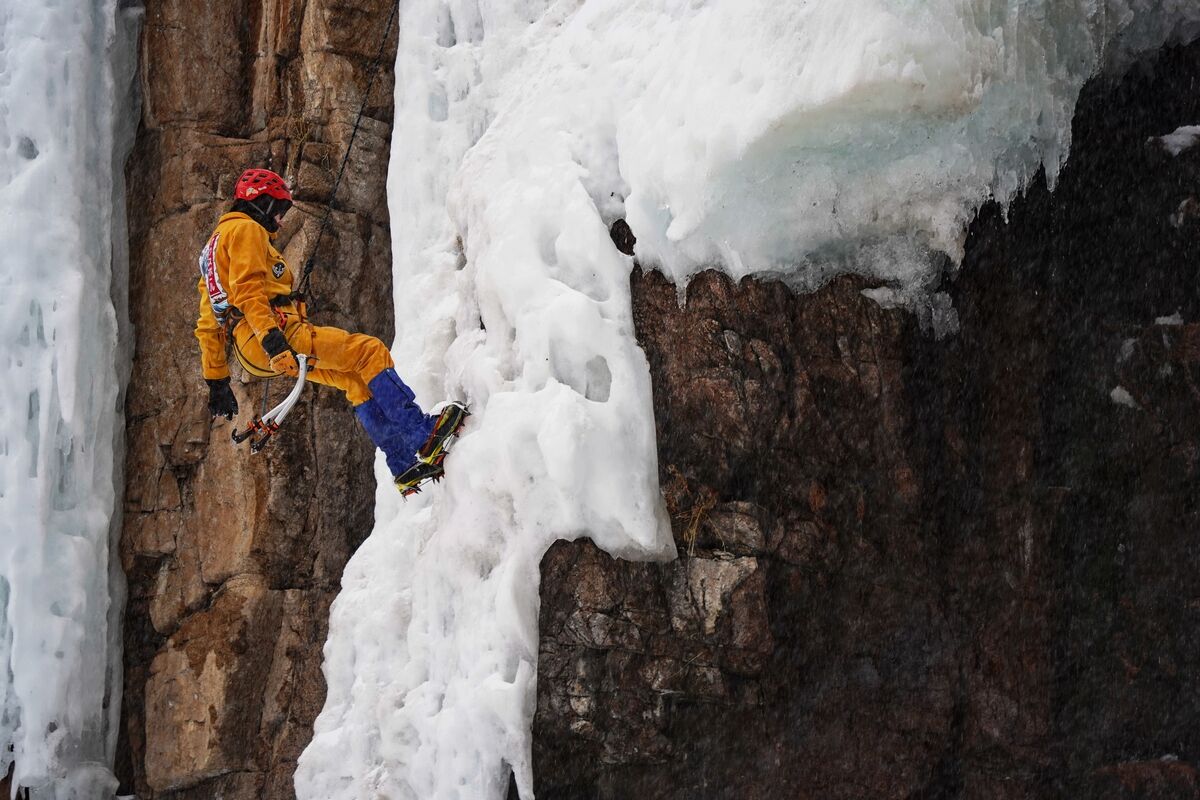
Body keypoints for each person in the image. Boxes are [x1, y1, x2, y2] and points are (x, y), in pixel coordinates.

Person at [195, 167, 465, 491]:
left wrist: (217, 380)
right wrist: (273, 339)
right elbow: (249, 290)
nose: (280, 222)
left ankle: (403, 463)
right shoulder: (246, 230)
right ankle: (423, 435)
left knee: (354, 380)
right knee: (368, 352)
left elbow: (209, 323)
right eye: (279, 211)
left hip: (251, 349)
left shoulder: (212, 251)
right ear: (261, 202)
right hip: (274, 335)